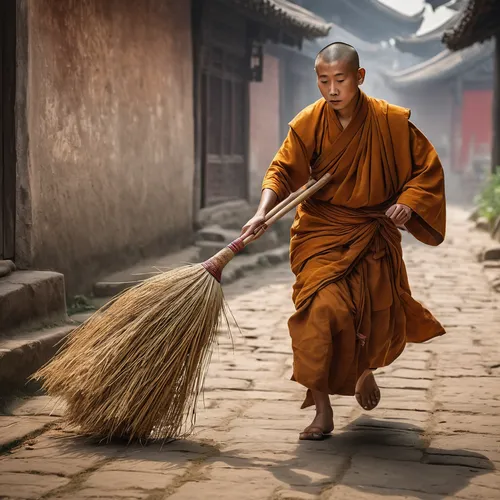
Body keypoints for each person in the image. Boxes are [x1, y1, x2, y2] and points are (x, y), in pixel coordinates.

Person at [240, 42, 446, 441]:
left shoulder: (390, 122)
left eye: (340, 80)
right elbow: (281, 170)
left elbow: (426, 169)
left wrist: (407, 202)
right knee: (318, 314)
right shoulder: (309, 123)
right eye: (323, 80)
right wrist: (262, 210)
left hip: (372, 232)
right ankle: (322, 411)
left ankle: (363, 370)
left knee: (369, 313)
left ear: (359, 77)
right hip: (322, 232)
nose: (332, 89)